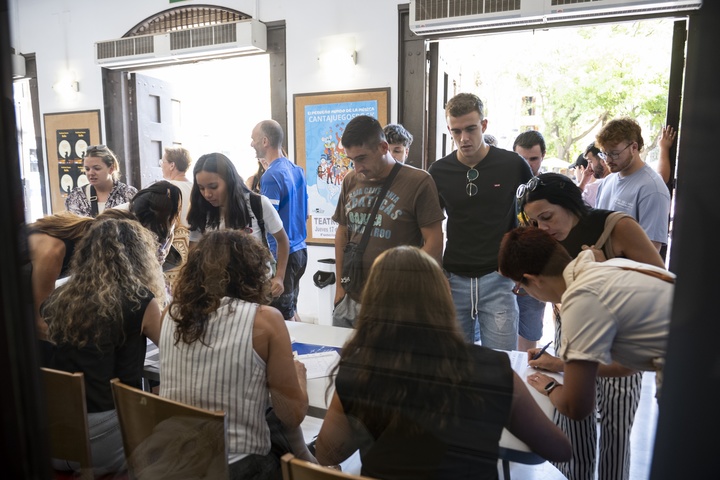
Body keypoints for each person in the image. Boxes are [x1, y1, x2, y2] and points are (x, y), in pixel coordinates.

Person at [315, 246, 571, 478]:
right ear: (444, 296)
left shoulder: (360, 371)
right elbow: (559, 449)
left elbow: (327, 455)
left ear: (373, 303)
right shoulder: (492, 367)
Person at [516, 172, 665, 480]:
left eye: (546, 217)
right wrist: (559, 362)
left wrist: (603, 272)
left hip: (622, 335)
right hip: (568, 322)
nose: (542, 229)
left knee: (615, 422)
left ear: (570, 203)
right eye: (534, 223)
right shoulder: (545, 237)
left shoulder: (617, 227)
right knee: (572, 427)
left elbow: (656, 280)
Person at [159, 230, 313, 478]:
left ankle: (310, 461)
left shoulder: (170, 314)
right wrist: (299, 378)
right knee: (282, 432)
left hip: (174, 459)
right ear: (253, 272)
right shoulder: (264, 320)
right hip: (237, 467)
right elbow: (292, 414)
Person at [498, 226, 672, 414]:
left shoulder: (581, 299)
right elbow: (624, 367)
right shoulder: (604, 267)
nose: (525, 293)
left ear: (533, 280)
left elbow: (576, 407)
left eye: (520, 288)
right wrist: (559, 364)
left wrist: (550, 387)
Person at [42, 217, 165, 476]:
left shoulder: (60, 297)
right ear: (139, 256)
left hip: (53, 437)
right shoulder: (139, 300)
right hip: (105, 438)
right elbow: (172, 346)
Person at [429, 92, 533, 348]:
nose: (463, 139)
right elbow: (430, 227)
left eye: (471, 129)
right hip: (454, 279)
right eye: (456, 131)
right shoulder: (439, 171)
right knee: (454, 363)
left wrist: (525, 265)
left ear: (484, 125)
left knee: (501, 362)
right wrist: (436, 272)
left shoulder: (512, 164)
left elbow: (531, 217)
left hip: (498, 279)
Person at [332, 115, 444, 328]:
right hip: (352, 297)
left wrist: (406, 284)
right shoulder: (350, 180)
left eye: (362, 158)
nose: (357, 168)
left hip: (397, 305)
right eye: (352, 160)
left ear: (383, 147)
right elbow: (342, 233)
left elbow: (435, 241)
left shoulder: (418, 181)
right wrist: (339, 286)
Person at [187, 152, 289, 299]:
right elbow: (193, 254)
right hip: (217, 292)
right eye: (201, 188)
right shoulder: (201, 211)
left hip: (256, 288)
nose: (207, 194)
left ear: (229, 181)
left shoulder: (258, 203)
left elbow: (282, 240)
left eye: (213, 187)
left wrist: (279, 277)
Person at [251, 119, 309, 321]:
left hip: (283, 256)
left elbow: (269, 223)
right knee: (291, 311)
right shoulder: (296, 170)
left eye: (254, 139)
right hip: (301, 252)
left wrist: (277, 272)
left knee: (281, 318)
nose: (251, 144)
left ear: (265, 141)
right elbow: (306, 214)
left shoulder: (271, 176)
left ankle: (289, 353)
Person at [595, 117, 671, 252]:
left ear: (633, 147)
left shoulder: (652, 189)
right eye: (604, 153)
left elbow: (650, 254)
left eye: (614, 153)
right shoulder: (607, 181)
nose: (607, 160)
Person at [512, 130, 549, 351]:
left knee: (529, 342)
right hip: (504, 276)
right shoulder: (503, 188)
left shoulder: (550, 189)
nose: (527, 165)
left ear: (543, 156)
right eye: (522, 159)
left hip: (536, 277)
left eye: (533, 159)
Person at [65, 144, 137, 217]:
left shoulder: (128, 194)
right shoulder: (76, 196)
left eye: (97, 168)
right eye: (87, 169)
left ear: (111, 168)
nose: (91, 173)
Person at [159, 146, 193, 228]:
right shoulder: (196, 187)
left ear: (172, 165)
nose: (161, 166)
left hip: (175, 238)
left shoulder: (167, 188)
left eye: (162, 162)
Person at [579, 142, 610, 207]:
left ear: (603, 161)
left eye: (590, 162)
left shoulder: (592, 189)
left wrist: (583, 183)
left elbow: (570, 201)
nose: (588, 167)